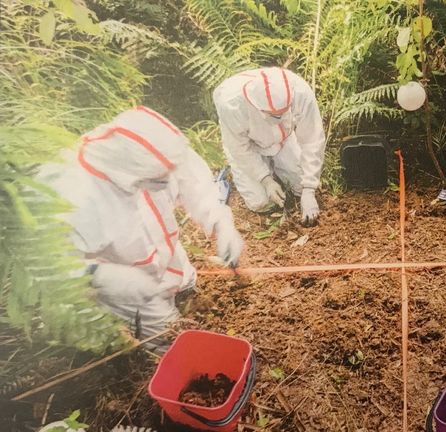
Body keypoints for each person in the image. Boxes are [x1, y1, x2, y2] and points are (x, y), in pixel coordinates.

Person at [37, 106, 244, 342]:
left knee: (180, 276)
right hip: (125, 279)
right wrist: (102, 276)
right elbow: (48, 262)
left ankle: (182, 289)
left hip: (165, 253)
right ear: (130, 173)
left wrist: (221, 222)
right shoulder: (69, 190)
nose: (167, 182)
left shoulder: (161, 148)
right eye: (157, 179)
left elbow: (194, 185)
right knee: (168, 336)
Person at [212, 66, 326, 226]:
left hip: (284, 139)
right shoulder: (231, 104)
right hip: (249, 147)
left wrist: (309, 189)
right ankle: (263, 173)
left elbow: (312, 139)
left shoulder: (301, 92)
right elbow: (239, 148)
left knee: (300, 187)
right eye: (272, 115)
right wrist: (265, 180)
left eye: (283, 112)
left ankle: (279, 167)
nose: (278, 118)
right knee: (261, 202)